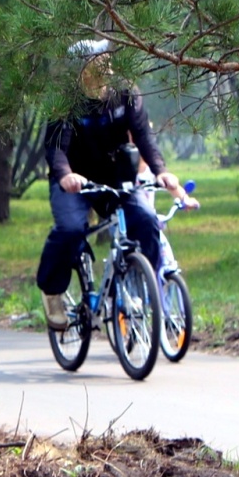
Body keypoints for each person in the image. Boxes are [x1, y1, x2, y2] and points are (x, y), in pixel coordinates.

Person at [37, 40, 197, 329]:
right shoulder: (66, 100)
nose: (104, 67)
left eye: (106, 60)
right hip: (75, 182)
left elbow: (143, 137)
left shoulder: (125, 93)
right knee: (71, 229)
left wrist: (161, 171)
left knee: (146, 221)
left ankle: (138, 284)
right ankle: (52, 292)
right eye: (96, 62)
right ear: (80, 68)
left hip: (115, 179)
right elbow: (56, 147)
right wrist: (64, 175)